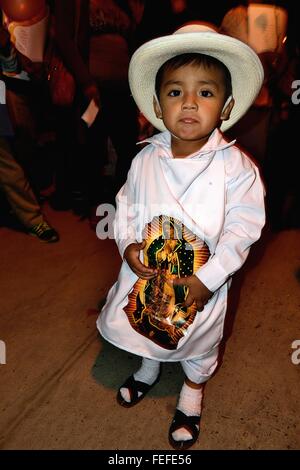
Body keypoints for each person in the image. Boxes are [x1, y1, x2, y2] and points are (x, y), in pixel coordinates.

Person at [97, 24, 265, 449]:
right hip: (150, 273)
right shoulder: (144, 159)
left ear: (225, 107)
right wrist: (129, 245)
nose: (189, 102)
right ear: (157, 104)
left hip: (198, 282)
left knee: (198, 343)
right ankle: (149, 368)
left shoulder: (236, 169)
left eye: (205, 93)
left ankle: (192, 395)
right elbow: (127, 207)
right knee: (145, 323)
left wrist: (210, 279)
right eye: (175, 92)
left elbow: (244, 228)